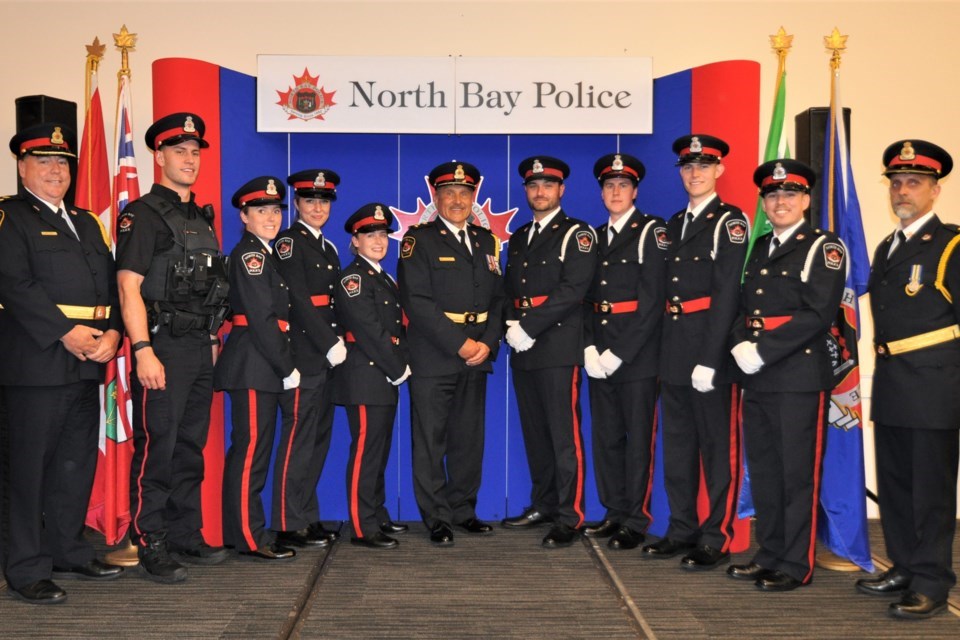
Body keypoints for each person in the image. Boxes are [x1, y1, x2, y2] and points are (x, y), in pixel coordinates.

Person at [0, 123, 124, 603]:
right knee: (28, 470)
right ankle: (27, 568)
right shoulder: (11, 219)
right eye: (45, 161)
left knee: (74, 462)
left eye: (63, 163)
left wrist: (112, 330)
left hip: (88, 357)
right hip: (36, 362)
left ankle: (67, 548)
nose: (56, 170)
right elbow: (13, 284)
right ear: (22, 167)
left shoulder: (87, 220)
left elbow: (109, 284)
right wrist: (65, 332)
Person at [116, 112, 230, 582]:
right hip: (160, 346)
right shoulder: (143, 215)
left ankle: (185, 533)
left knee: (189, 447)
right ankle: (151, 540)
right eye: (179, 151)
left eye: (194, 151)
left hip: (199, 347)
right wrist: (143, 350)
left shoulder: (200, 217)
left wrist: (210, 340)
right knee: (157, 447)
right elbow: (128, 288)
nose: (189, 159)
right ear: (158, 156)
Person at [726, 159, 846, 592]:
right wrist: (740, 341)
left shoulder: (823, 247)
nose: (780, 201)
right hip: (757, 377)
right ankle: (770, 552)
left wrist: (762, 350)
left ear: (806, 200)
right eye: (772, 195)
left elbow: (817, 313)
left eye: (789, 194)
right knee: (767, 470)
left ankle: (796, 564)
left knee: (796, 474)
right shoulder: (759, 247)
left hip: (797, 376)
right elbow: (745, 306)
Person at [857, 140, 959, 619]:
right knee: (896, 484)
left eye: (913, 182)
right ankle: (903, 565)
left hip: (936, 386)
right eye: (896, 182)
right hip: (896, 380)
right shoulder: (888, 245)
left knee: (931, 493)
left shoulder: (952, 244)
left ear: (935, 191)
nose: (902, 190)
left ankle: (933, 581)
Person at [642, 135, 747, 569]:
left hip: (710, 352)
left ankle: (716, 536)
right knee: (679, 447)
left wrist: (711, 356)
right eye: (688, 167)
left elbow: (727, 295)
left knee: (716, 449)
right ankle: (681, 528)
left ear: (719, 170)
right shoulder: (675, 224)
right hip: (674, 350)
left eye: (704, 166)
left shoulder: (729, 222)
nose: (695, 173)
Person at [397, 160, 504, 547]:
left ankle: (463, 510)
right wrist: (461, 344)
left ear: (473, 197)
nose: (457, 200)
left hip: (477, 354)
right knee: (430, 441)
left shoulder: (484, 241)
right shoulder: (419, 241)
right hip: (435, 355)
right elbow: (417, 302)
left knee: (467, 439)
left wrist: (488, 343)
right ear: (436, 198)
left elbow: (498, 298)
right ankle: (437, 518)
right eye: (449, 194)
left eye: (464, 194)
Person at [502, 156, 597, 548]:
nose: (539, 192)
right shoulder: (522, 235)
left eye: (548, 186)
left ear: (561, 190)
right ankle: (543, 502)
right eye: (533, 186)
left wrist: (528, 326)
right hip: (523, 347)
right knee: (536, 433)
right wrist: (511, 324)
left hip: (557, 344)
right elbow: (509, 287)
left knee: (563, 436)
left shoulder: (577, 234)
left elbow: (573, 290)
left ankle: (569, 514)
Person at [580, 153, 666, 551]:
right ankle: (614, 510)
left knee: (638, 440)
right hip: (600, 352)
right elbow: (585, 297)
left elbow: (653, 301)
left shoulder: (651, 231)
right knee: (607, 437)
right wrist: (591, 347)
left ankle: (637, 518)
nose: (616, 192)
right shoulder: (594, 237)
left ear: (635, 191)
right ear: (601, 192)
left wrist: (621, 352)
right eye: (609, 186)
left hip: (637, 356)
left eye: (623, 186)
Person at [214, 176, 298, 561]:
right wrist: (285, 366)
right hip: (254, 363)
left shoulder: (266, 254)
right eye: (261, 210)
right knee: (250, 452)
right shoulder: (251, 256)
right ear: (243, 215)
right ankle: (248, 536)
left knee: (256, 450)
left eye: (276, 209)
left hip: (263, 363)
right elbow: (262, 320)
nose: (271, 216)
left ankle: (247, 531)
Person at [269, 169, 347, 549]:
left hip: (327, 357)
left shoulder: (328, 247)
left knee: (317, 440)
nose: (318, 207)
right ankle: (287, 522)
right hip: (304, 354)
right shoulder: (288, 242)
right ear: (297, 204)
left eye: (324, 201)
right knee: (298, 439)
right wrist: (328, 341)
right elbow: (297, 300)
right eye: (310, 200)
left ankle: (307, 515)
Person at [334, 203, 410, 549]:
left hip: (382, 374)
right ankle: (362, 527)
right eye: (370, 235)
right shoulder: (354, 278)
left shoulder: (381, 275)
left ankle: (375, 514)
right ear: (355, 240)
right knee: (365, 452)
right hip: (366, 374)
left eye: (382, 235)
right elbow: (368, 331)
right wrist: (398, 368)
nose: (378, 241)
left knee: (377, 452)